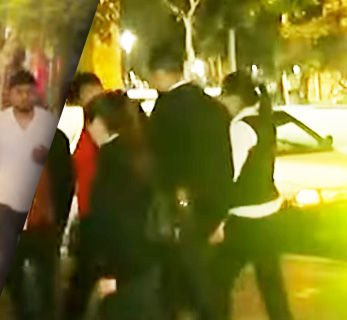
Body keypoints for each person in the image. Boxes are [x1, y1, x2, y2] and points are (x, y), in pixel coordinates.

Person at [147, 47, 233, 320]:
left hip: (179, 208)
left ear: (159, 74)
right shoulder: (215, 108)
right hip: (213, 205)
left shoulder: (165, 109)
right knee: (209, 279)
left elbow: (157, 161)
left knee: (179, 280)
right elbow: (226, 162)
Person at [0, 70, 58, 302]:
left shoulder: (47, 123)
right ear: (10, 94)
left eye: (29, 92)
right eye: (19, 92)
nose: (25, 97)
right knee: (5, 265)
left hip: (40, 210)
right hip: (5, 206)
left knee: (44, 269)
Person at [215, 71, 293, 320]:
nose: (222, 101)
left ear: (235, 97)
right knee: (272, 285)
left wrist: (218, 221)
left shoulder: (241, 127)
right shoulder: (265, 121)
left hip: (245, 218)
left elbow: (231, 176)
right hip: (269, 212)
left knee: (217, 281)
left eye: (224, 95)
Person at [84, 91, 163, 320]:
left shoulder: (111, 161)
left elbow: (112, 221)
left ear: (99, 122)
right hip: (150, 262)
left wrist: (110, 272)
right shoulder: (141, 152)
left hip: (125, 270)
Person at [5, 128, 74, 320]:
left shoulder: (56, 139)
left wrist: (59, 220)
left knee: (43, 288)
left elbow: (66, 181)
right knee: (23, 288)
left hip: (44, 226)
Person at [65, 72, 105, 319]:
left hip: (103, 212)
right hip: (84, 213)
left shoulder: (108, 125)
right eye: (89, 95)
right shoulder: (75, 126)